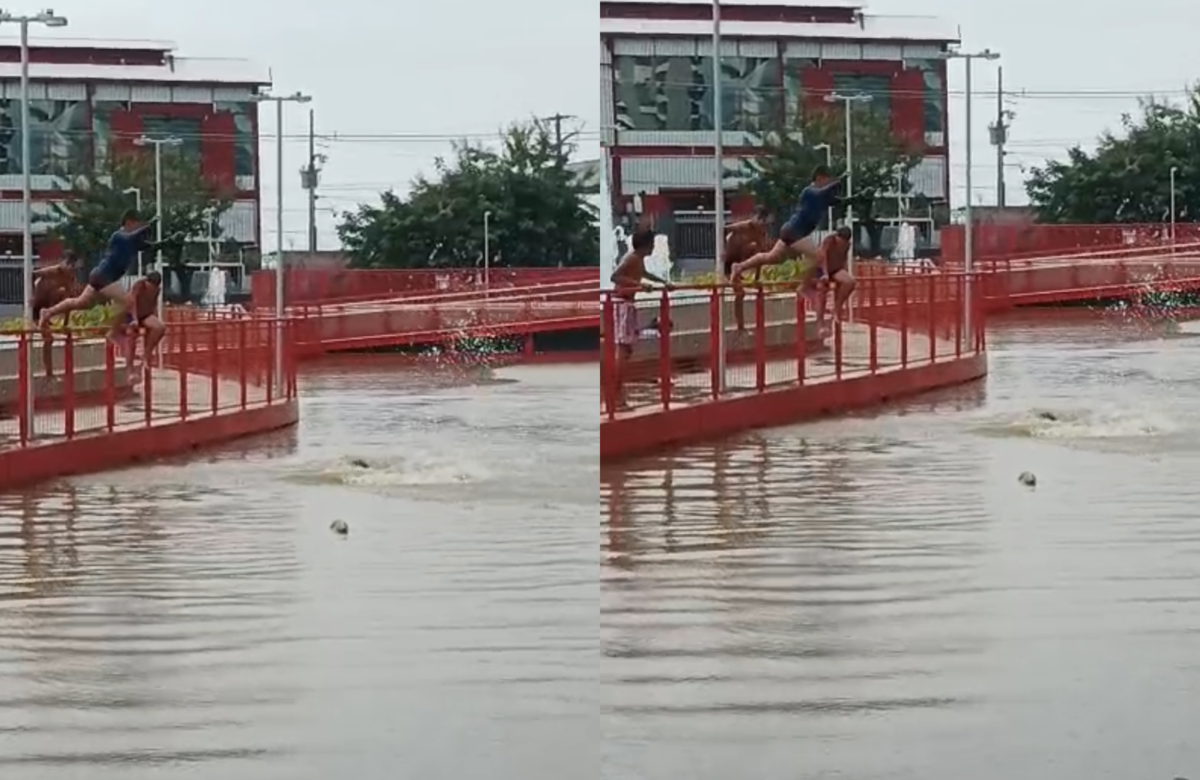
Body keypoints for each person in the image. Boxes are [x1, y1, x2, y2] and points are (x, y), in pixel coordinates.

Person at [37, 209, 160, 347]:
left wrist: (169, 241)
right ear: (129, 222)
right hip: (104, 276)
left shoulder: (133, 242)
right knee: (128, 301)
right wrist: (149, 223)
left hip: (101, 277)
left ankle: (48, 312)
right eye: (137, 224)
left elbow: (151, 246)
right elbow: (133, 236)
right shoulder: (119, 236)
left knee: (80, 303)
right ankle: (113, 333)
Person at [731, 165, 867, 284]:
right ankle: (809, 285)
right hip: (795, 231)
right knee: (818, 256)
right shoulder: (809, 191)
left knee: (773, 257)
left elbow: (843, 201)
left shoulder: (824, 198)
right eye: (826, 180)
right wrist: (839, 179)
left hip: (792, 232)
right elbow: (823, 192)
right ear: (819, 178)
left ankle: (739, 267)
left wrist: (859, 196)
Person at [608, 228, 672, 410]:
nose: (654, 247)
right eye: (652, 244)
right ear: (645, 245)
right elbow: (615, 276)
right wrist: (639, 285)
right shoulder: (631, 258)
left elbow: (643, 274)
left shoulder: (638, 259)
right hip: (622, 304)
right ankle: (617, 396)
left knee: (626, 350)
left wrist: (662, 282)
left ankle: (619, 395)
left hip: (626, 304)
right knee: (623, 350)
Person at [31, 251, 81, 380]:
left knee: (67, 292)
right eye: (71, 267)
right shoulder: (53, 271)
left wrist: (66, 323)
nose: (72, 271)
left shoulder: (70, 278)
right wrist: (31, 294)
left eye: (74, 268)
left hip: (48, 306)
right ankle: (49, 374)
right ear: (64, 263)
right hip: (37, 305)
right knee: (49, 339)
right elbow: (31, 274)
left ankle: (50, 374)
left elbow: (69, 302)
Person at [722, 206, 771, 331]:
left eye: (764, 221)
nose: (762, 223)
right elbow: (722, 229)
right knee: (740, 293)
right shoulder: (744, 226)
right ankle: (740, 327)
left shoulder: (761, 233)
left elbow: (761, 256)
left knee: (757, 247)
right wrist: (722, 249)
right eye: (760, 220)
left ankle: (738, 270)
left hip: (740, 262)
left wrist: (757, 278)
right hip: (728, 261)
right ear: (754, 218)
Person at [810, 226, 857, 338]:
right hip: (820, 268)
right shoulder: (829, 240)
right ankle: (820, 324)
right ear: (837, 237)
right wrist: (825, 274)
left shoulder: (847, 245)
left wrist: (845, 271)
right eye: (840, 242)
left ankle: (836, 309)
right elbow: (823, 257)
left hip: (835, 269)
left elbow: (843, 259)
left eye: (844, 243)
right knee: (822, 292)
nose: (841, 245)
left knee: (850, 282)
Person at [124, 271, 166, 374]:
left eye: (154, 288)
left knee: (160, 327)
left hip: (145, 315)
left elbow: (153, 304)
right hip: (129, 314)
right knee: (131, 338)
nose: (151, 290)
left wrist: (155, 317)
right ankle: (129, 368)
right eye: (150, 287)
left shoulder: (157, 289)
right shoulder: (139, 285)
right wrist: (134, 319)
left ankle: (146, 354)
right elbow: (132, 302)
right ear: (147, 282)